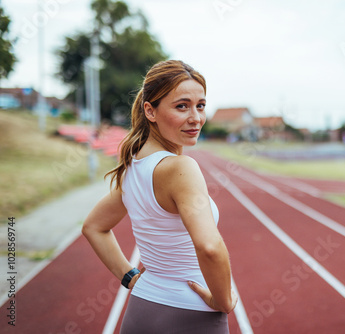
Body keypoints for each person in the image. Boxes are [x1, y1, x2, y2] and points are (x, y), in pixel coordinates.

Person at [82, 60, 237, 333]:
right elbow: (210, 248)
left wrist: (130, 277)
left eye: (200, 105)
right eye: (182, 106)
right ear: (150, 111)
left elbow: (94, 227)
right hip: (191, 314)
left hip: (142, 308)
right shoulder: (180, 168)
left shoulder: (133, 167)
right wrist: (222, 300)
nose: (196, 117)